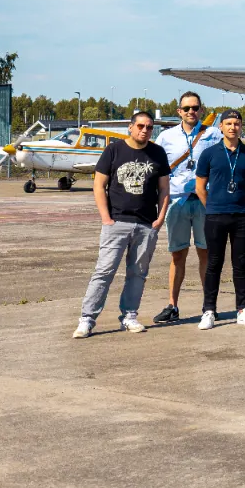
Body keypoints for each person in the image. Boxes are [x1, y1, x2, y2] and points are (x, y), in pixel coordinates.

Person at [74, 111, 170, 338]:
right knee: (104, 271)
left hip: (146, 225)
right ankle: (87, 319)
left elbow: (164, 189)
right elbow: (99, 185)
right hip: (116, 222)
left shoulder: (158, 153)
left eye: (149, 127)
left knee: (138, 273)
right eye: (140, 126)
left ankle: (129, 316)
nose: (145, 130)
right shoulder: (113, 150)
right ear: (130, 127)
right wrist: (106, 218)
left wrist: (160, 218)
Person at [194, 110, 245, 330]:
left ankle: (242, 309)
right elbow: (200, 187)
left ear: (241, 126)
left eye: (237, 123)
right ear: (221, 127)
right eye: (229, 123)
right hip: (215, 216)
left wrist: (237, 203)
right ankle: (209, 310)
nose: (233, 127)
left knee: (240, 264)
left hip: (241, 216)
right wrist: (213, 207)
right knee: (214, 263)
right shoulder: (209, 153)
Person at [152, 92, 215, 325]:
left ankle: (209, 307)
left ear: (201, 110)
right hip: (177, 201)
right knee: (177, 254)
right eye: (186, 108)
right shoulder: (166, 137)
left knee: (205, 253)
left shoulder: (213, 134)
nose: (191, 112)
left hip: (203, 201)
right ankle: (172, 305)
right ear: (179, 111)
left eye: (195, 108)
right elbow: (156, 167)